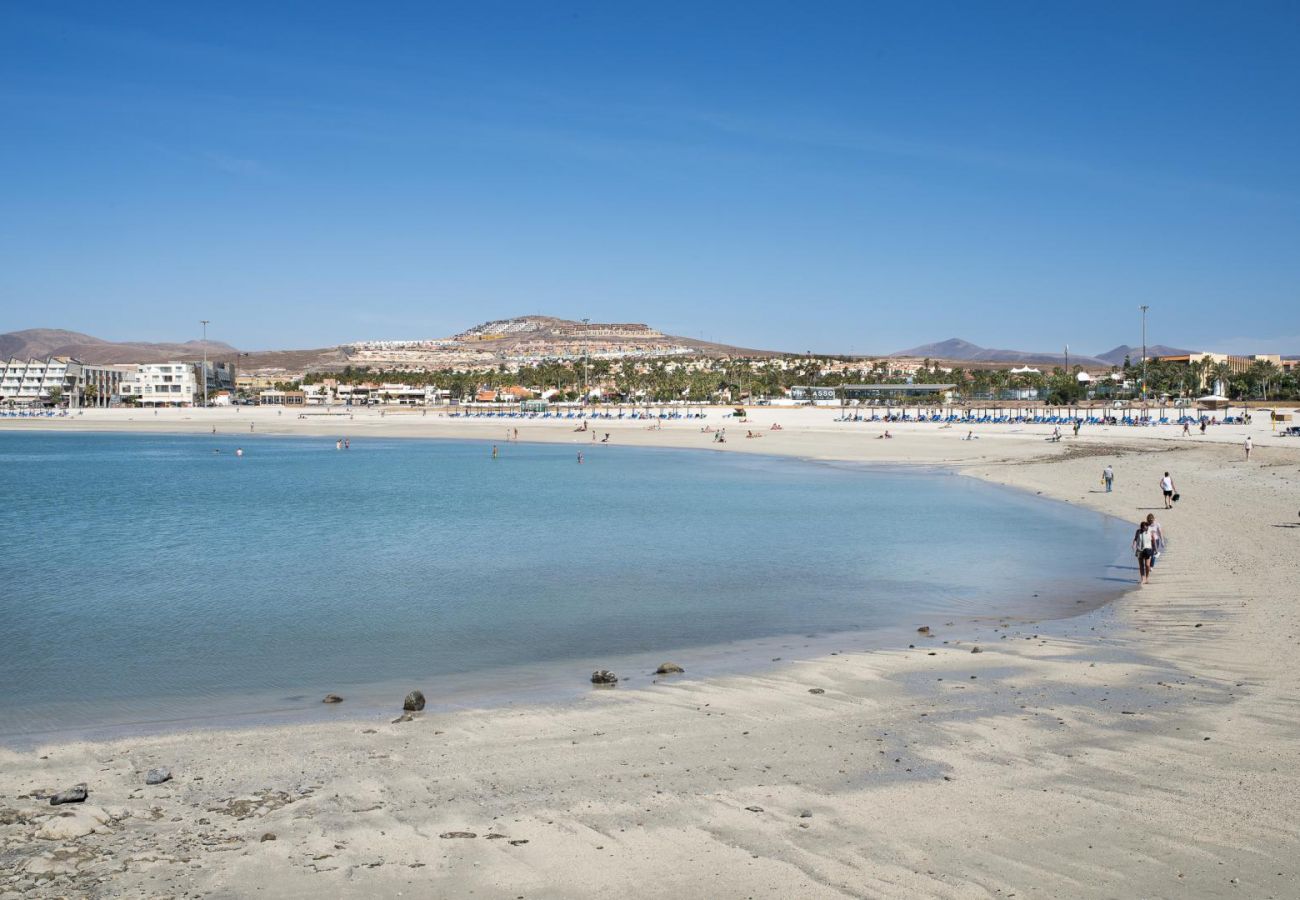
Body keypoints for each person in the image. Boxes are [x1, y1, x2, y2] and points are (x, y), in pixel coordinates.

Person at [1132, 520, 1153, 585]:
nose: (1145, 528)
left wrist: (1154, 548)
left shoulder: (1149, 531)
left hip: (1148, 549)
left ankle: (1147, 578)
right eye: (1144, 527)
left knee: (1147, 565)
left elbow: (1153, 539)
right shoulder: (1138, 531)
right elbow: (1135, 539)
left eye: (1146, 527)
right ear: (1141, 527)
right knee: (1141, 565)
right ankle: (1142, 579)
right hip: (1139, 549)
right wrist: (1134, 544)